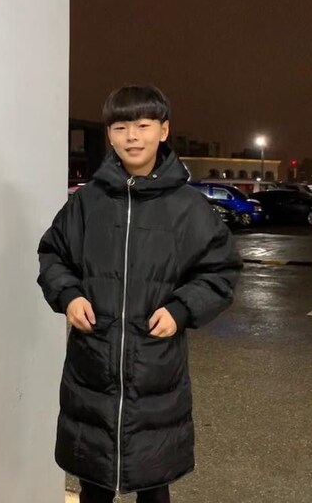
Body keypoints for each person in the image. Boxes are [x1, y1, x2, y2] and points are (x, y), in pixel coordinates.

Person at [37, 85, 242, 503]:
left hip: (155, 371)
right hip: (92, 368)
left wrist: (181, 308)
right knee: (94, 484)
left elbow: (220, 270)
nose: (133, 136)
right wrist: (70, 295)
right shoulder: (87, 202)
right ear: (109, 136)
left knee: (154, 484)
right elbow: (53, 255)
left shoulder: (188, 207)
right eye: (121, 127)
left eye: (144, 125)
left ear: (163, 131)